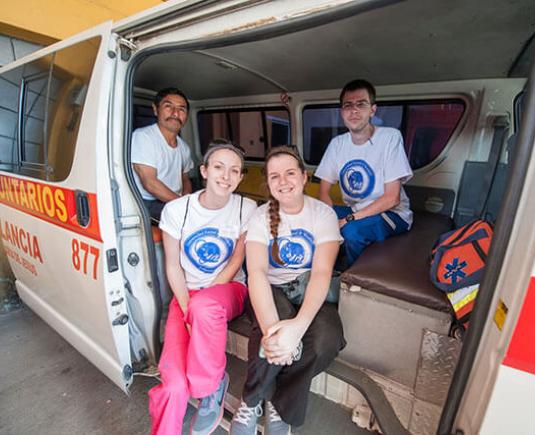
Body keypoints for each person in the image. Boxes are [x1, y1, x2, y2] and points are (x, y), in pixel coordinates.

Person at [230, 146, 346, 435]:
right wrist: (275, 332)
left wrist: (297, 330)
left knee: (326, 340)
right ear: (268, 183)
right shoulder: (258, 217)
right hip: (271, 288)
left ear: (305, 177)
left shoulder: (323, 215)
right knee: (270, 334)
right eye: (274, 176)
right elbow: (255, 272)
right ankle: (252, 401)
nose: (283, 181)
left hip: (310, 287)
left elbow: (321, 273)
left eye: (290, 173)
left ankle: (277, 402)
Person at [148, 139, 257, 435]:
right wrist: (185, 307)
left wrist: (202, 299)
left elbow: (237, 258)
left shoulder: (247, 208)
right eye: (219, 167)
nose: (226, 176)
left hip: (228, 290)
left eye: (235, 170)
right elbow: (173, 265)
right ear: (204, 171)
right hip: (185, 295)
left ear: (241, 177)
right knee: (172, 386)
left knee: (204, 306)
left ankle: (211, 386)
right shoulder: (177, 210)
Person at [315, 79, 413, 267]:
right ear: (342, 111)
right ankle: (324, 272)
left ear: (372, 110)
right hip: (356, 209)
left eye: (361, 104)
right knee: (313, 218)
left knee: (352, 231)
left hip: (393, 214)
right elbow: (324, 191)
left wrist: (347, 220)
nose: (354, 111)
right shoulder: (337, 144)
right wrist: (326, 218)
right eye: (348, 105)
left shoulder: (389, 138)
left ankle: (353, 280)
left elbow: (392, 199)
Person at [132, 87, 195, 223]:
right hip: (149, 203)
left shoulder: (184, 147)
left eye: (181, 109)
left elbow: (185, 178)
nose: (175, 113)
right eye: (168, 106)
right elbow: (150, 183)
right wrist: (183, 206)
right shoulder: (143, 137)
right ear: (156, 109)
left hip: (173, 201)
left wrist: (187, 200)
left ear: (186, 116)